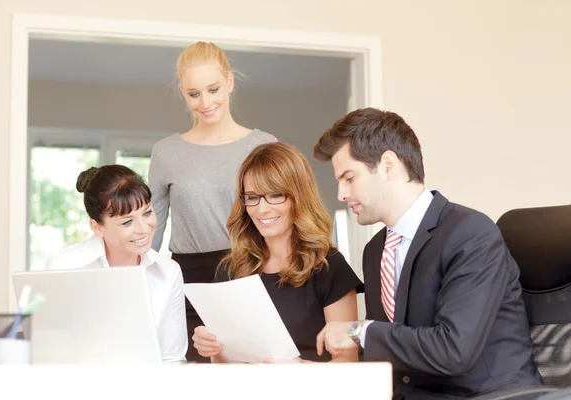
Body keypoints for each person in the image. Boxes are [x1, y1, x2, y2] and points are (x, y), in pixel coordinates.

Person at [313, 108, 541, 399]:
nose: (341, 194)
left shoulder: (470, 234)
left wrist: (359, 331)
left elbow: (453, 351)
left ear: (387, 164)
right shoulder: (375, 251)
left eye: (349, 178)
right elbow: (391, 352)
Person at [148, 41, 277, 362]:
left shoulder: (263, 145)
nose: (205, 102)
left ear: (229, 82)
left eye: (213, 89)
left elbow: (281, 220)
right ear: (183, 93)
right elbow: (150, 232)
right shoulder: (166, 152)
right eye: (194, 94)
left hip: (251, 271)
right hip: (189, 279)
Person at [191, 142, 363, 363]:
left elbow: (348, 364)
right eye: (252, 197)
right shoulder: (231, 269)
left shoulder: (328, 266)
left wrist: (303, 371)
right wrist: (214, 349)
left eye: (275, 195)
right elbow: (227, 366)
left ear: (298, 197)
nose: (261, 209)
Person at [46, 165, 187, 364]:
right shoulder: (65, 265)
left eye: (147, 213)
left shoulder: (168, 272)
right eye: (127, 222)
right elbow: (49, 353)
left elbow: (172, 359)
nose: (143, 229)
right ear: (97, 227)